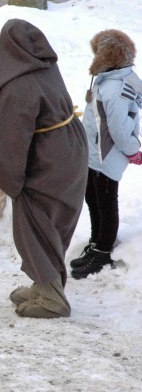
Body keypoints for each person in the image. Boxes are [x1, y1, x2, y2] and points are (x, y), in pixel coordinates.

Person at [0, 19, 87, 318]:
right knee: (54, 221)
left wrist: (10, 181)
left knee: (34, 221)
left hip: (47, 158)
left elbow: (11, 142)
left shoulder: (18, 87)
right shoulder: (44, 67)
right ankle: (44, 284)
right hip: (69, 149)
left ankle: (52, 297)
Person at [73, 30, 141, 279]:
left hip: (108, 154)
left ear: (107, 57)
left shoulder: (114, 87)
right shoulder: (105, 81)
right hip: (95, 152)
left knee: (105, 201)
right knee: (93, 197)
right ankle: (96, 240)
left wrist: (133, 151)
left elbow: (120, 128)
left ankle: (103, 251)